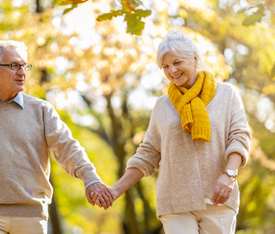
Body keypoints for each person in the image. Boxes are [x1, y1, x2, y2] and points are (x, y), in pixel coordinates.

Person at [0, 40, 113, 234]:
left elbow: (68, 147)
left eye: (24, 66)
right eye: (14, 66)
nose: (22, 72)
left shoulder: (41, 110)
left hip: (31, 215)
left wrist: (90, 178)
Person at [92, 30, 251, 233]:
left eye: (177, 62)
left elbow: (239, 136)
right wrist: (115, 190)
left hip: (218, 198)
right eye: (165, 66)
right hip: (175, 201)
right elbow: (148, 154)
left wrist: (230, 175)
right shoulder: (162, 105)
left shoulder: (226, 94)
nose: (172, 71)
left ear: (194, 58)